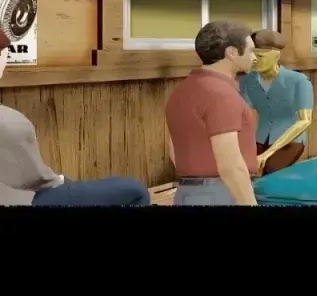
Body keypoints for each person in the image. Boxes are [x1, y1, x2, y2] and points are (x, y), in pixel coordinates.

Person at [0, 32, 150, 206]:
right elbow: (39, 181)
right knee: (136, 191)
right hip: (25, 199)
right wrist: (64, 183)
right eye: (3, 52)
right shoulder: (9, 123)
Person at [165, 21, 259, 206]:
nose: (254, 58)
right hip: (220, 192)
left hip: (188, 192)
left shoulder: (182, 90)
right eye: (250, 51)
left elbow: (173, 148)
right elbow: (230, 165)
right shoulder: (221, 95)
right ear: (231, 53)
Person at [240, 29, 313, 175]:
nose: (254, 59)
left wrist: (268, 153)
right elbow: (242, 113)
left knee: (271, 170)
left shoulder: (299, 81)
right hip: (260, 138)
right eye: (252, 54)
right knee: (245, 169)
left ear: (276, 56)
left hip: (290, 141)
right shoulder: (247, 81)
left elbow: (305, 121)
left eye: (260, 56)